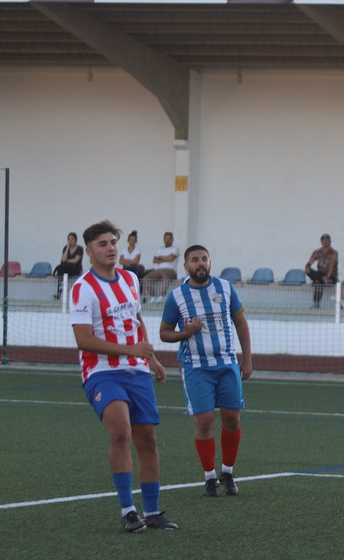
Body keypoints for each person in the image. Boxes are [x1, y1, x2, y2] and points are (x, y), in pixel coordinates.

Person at [69, 220, 177, 533]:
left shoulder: (130, 279)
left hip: (137, 370)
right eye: (102, 244)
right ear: (89, 252)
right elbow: (83, 340)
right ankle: (129, 511)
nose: (111, 248)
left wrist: (152, 358)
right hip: (101, 371)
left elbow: (137, 319)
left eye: (113, 242)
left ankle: (153, 512)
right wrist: (129, 348)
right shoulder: (82, 289)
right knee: (121, 433)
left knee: (148, 439)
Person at [160, 245, 253, 497]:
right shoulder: (177, 296)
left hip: (227, 364)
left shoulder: (225, 287)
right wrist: (186, 333)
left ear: (210, 263)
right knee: (204, 422)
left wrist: (247, 359)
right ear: (186, 266)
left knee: (233, 419)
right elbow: (164, 333)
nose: (200, 263)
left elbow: (240, 322)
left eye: (204, 259)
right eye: (194, 260)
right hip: (196, 368)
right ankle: (209, 477)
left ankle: (228, 473)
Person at [143, 232, 179, 303]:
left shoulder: (175, 248)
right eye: (166, 239)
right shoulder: (160, 249)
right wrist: (166, 258)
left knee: (165, 276)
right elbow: (154, 260)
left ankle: (162, 296)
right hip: (158, 270)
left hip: (170, 270)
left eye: (169, 239)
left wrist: (160, 258)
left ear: (172, 240)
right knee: (146, 278)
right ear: (163, 239)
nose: (167, 240)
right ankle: (153, 296)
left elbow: (171, 258)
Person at [305, 233, 338, 308]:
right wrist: (307, 266)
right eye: (324, 240)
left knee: (318, 282)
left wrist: (327, 276)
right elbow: (310, 262)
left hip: (330, 275)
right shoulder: (317, 252)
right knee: (313, 274)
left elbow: (332, 266)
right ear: (321, 241)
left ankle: (316, 303)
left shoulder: (334, 253)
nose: (325, 242)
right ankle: (319, 280)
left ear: (330, 241)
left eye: (327, 240)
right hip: (320, 274)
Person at [53, 232, 84, 297]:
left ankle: (63, 287)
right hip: (66, 268)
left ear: (75, 240)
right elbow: (63, 259)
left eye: (72, 239)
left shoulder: (80, 249)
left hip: (75, 268)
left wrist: (66, 261)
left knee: (64, 268)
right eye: (69, 239)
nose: (70, 241)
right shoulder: (65, 248)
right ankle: (60, 289)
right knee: (60, 269)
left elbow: (75, 260)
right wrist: (67, 248)